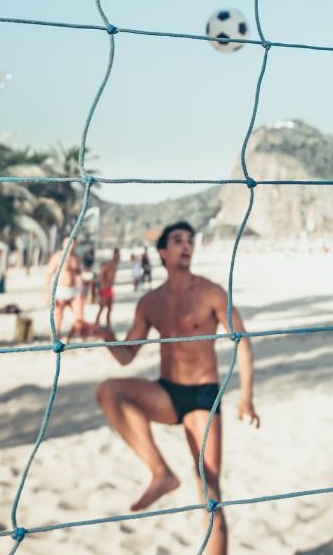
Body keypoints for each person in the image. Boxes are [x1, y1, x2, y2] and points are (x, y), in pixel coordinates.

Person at [90, 221, 260, 555]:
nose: (186, 246)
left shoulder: (210, 292)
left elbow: (243, 342)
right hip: (167, 392)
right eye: (178, 241)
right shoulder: (151, 302)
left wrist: (247, 399)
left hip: (202, 397)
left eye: (190, 241)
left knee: (209, 493)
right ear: (164, 252)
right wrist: (106, 335)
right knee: (110, 390)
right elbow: (126, 357)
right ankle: (160, 472)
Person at [46, 237, 82, 338]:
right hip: (61, 291)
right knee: (58, 318)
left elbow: (79, 274)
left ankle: (68, 338)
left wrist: (83, 290)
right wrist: (47, 294)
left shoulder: (76, 258)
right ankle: (54, 341)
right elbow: (48, 275)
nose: (70, 246)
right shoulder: (57, 257)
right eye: (68, 243)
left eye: (72, 244)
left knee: (79, 318)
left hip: (74, 290)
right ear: (63, 244)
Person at [96, 248, 121, 327]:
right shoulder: (109, 264)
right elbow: (101, 273)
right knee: (102, 307)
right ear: (114, 255)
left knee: (110, 307)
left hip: (109, 288)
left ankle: (108, 324)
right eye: (118, 256)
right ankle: (97, 322)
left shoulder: (114, 265)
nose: (119, 258)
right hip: (104, 288)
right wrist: (103, 284)